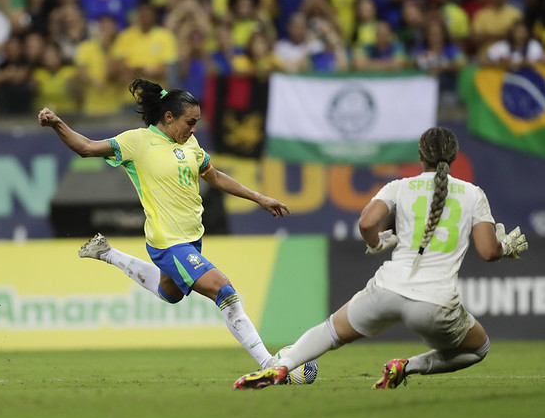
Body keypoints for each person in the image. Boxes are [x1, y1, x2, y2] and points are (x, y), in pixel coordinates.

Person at [233, 126, 529, 390]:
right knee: (478, 349)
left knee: (330, 331)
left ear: (420, 156)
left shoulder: (399, 187)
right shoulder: (472, 194)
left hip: (388, 287)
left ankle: (279, 367)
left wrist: (377, 242)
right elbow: (489, 251)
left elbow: (366, 222)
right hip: (435, 302)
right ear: (453, 156)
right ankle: (407, 366)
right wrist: (506, 247)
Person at [38, 78, 291, 369]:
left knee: (169, 294)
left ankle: (108, 253)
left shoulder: (191, 145)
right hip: (167, 242)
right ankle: (270, 365)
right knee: (225, 292)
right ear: (169, 117)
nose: (194, 129)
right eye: (190, 122)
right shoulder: (137, 142)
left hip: (192, 238)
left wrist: (258, 197)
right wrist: (57, 123)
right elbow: (86, 147)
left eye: (196, 123)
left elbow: (215, 177)